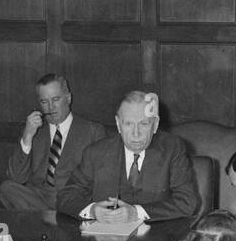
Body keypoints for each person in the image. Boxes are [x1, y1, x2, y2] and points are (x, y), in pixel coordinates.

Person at [57, 89, 199, 225]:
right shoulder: (96, 153)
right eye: (128, 124)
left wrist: (136, 213)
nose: (135, 134)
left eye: (143, 124)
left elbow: (187, 202)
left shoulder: (171, 148)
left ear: (155, 125)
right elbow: (65, 197)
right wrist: (92, 211)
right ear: (118, 124)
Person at [0, 74, 108, 211]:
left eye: (56, 99)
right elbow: (17, 177)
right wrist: (27, 137)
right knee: (7, 188)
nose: (51, 107)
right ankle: (51, 219)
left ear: (68, 98)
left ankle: (47, 220)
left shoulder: (92, 131)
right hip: (37, 198)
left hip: (72, 200)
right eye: (44, 102)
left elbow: (101, 179)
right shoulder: (34, 130)